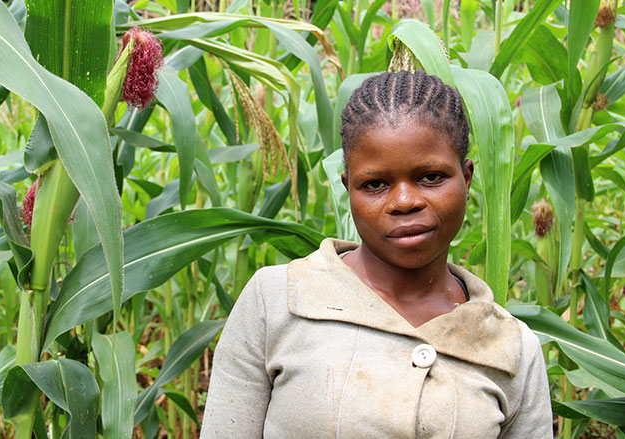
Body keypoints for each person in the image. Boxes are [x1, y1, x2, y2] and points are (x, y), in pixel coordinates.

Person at [201, 70, 552, 438]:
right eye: (375, 184)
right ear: (347, 188)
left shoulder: (511, 349)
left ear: (466, 178)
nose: (404, 202)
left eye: (430, 177)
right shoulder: (275, 304)